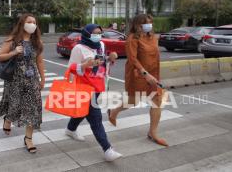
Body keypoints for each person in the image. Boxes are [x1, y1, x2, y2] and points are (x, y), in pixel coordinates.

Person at [64, 24, 123, 162]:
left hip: (98, 86)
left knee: (84, 112)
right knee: (96, 119)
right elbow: (71, 68)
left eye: (100, 33)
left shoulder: (101, 45)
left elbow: (101, 63)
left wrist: (110, 58)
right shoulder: (78, 48)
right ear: (86, 34)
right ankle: (107, 149)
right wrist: (85, 65)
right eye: (95, 33)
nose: (98, 36)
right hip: (84, 88)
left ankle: (70, 129)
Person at [108, 14, 168, 147]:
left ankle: (152, 133)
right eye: (145, 23)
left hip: (153, 74)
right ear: (137, 25)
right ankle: (114, 111)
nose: (149, 25)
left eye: (150, 22)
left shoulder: (153, 37)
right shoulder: (132, 39)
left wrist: (153, 74)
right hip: (137, 74)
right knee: (133, 101)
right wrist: (145, 74)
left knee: (157, 101)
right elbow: (133, 60)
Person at [0, 14, 45, 154]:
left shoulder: (37, 42)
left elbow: (40, 61)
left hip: (32, 81)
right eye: (29, 22)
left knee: (33, 109)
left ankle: (28, 138)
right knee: (14, 105)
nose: (32, 24)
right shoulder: (12, 40)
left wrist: (43, 79)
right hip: (14, 80)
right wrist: (13, 52)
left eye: (34, 22)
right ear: (22, 23)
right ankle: (8, 119)